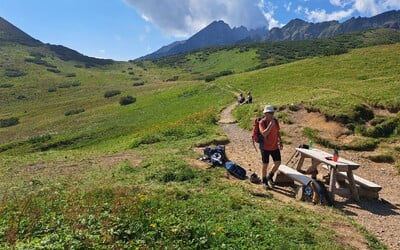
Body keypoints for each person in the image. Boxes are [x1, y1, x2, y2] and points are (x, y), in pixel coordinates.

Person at [259, 105, 283, 189]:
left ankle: (270, 175)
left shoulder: (275, 121)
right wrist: (270, 125)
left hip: (274, 146)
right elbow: (264, 133)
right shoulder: (262, 122)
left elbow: (278, 131)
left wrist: (280, 141)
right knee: (265, 164)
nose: (272, 114)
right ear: (265, 114)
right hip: (265, 147)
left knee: (278, 163)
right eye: (270, 113)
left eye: (272, 113)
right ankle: (264, 180)